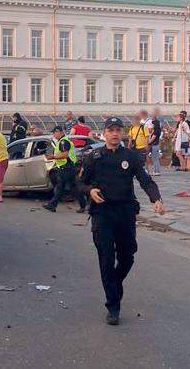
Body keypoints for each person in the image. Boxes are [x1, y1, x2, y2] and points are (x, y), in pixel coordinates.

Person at [80, 117, 165, 326]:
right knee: (106, 260)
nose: (115, 134)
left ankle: (115, 283)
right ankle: (113, 305)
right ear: (104, 133)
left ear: (122, 133)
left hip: (125, 213)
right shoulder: (94, 157)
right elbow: (80, 182)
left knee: (128, 256)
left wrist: (156, 198)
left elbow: (145, 180)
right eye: (111, 130)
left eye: (118, 130)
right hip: (102, 214)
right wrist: (89, 190)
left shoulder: (131, 157)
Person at [42, 126, 86, 213]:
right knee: (74, 187)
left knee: (60, 187)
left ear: (59, 132)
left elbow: (64, 155)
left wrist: (52, 157)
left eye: (54, 132)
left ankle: (52, 205)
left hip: (66, 167)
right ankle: (83, 205)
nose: (53, 135)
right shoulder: (64, 141)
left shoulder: (63, 142)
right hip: (69, 167)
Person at [147, 108, 162, 176]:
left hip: (154, 145)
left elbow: (153, 138)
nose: (151, 125)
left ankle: (157, 171)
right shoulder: (156, 130)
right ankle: (156, 171)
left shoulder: (156, 131)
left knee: (155, 159)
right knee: (155, 158)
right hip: (155, 145)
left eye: (152, 124)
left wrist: (148, 142)